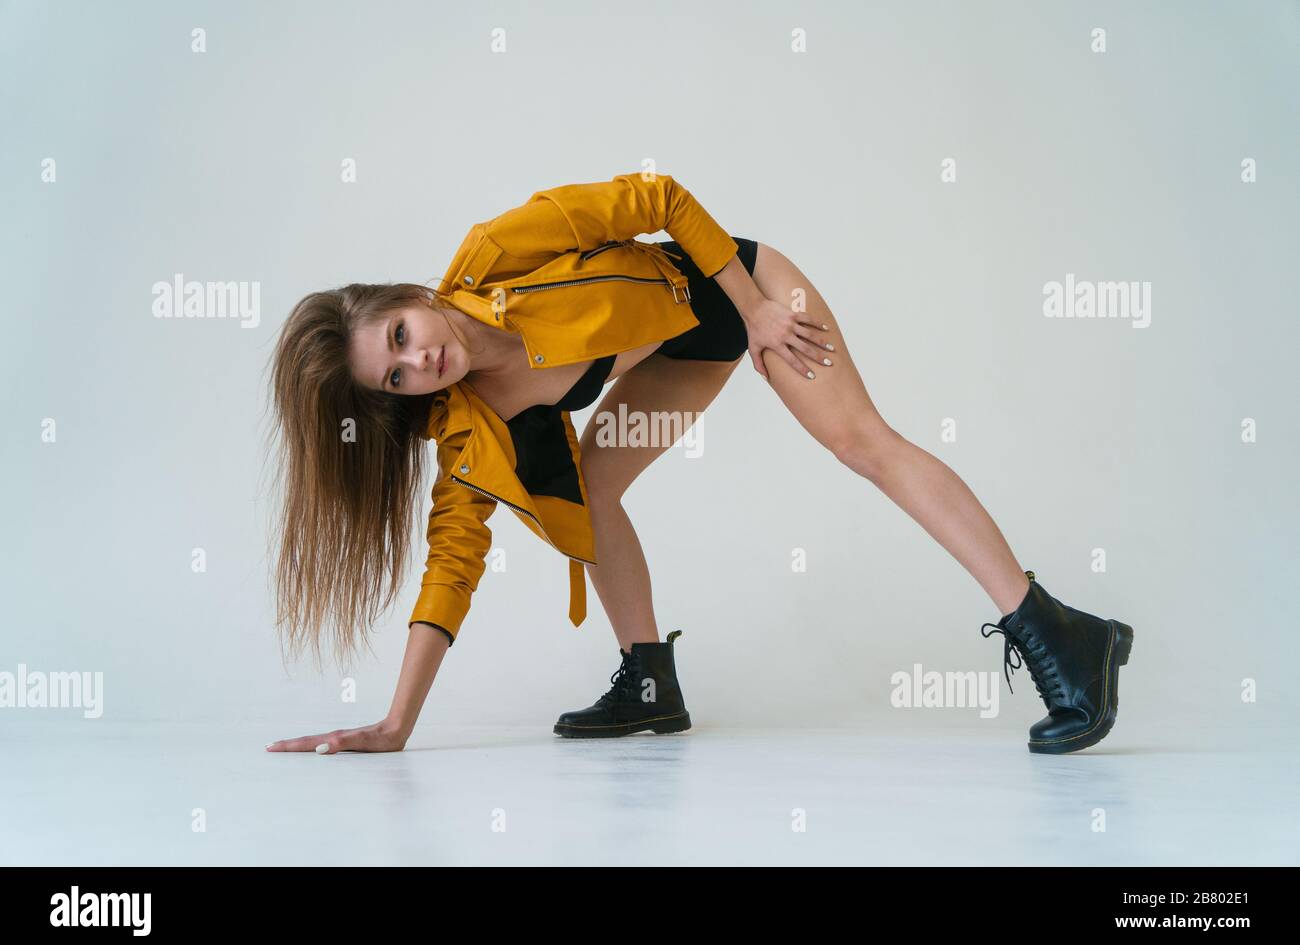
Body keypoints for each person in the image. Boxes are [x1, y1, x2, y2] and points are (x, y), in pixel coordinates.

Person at [263, 172, 1134, 757]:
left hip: (735, 285)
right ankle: (649, 680)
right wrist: (394, 725)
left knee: (859, 442)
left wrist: (755, 309)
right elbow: (452, 560)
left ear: (410, 299)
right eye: (397, 376)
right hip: (676, 353)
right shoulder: (470, 423)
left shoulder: (501, 253)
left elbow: (660, 196)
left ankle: (1059, 634)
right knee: (594, 491)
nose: (420, 363)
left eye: (402, 339)